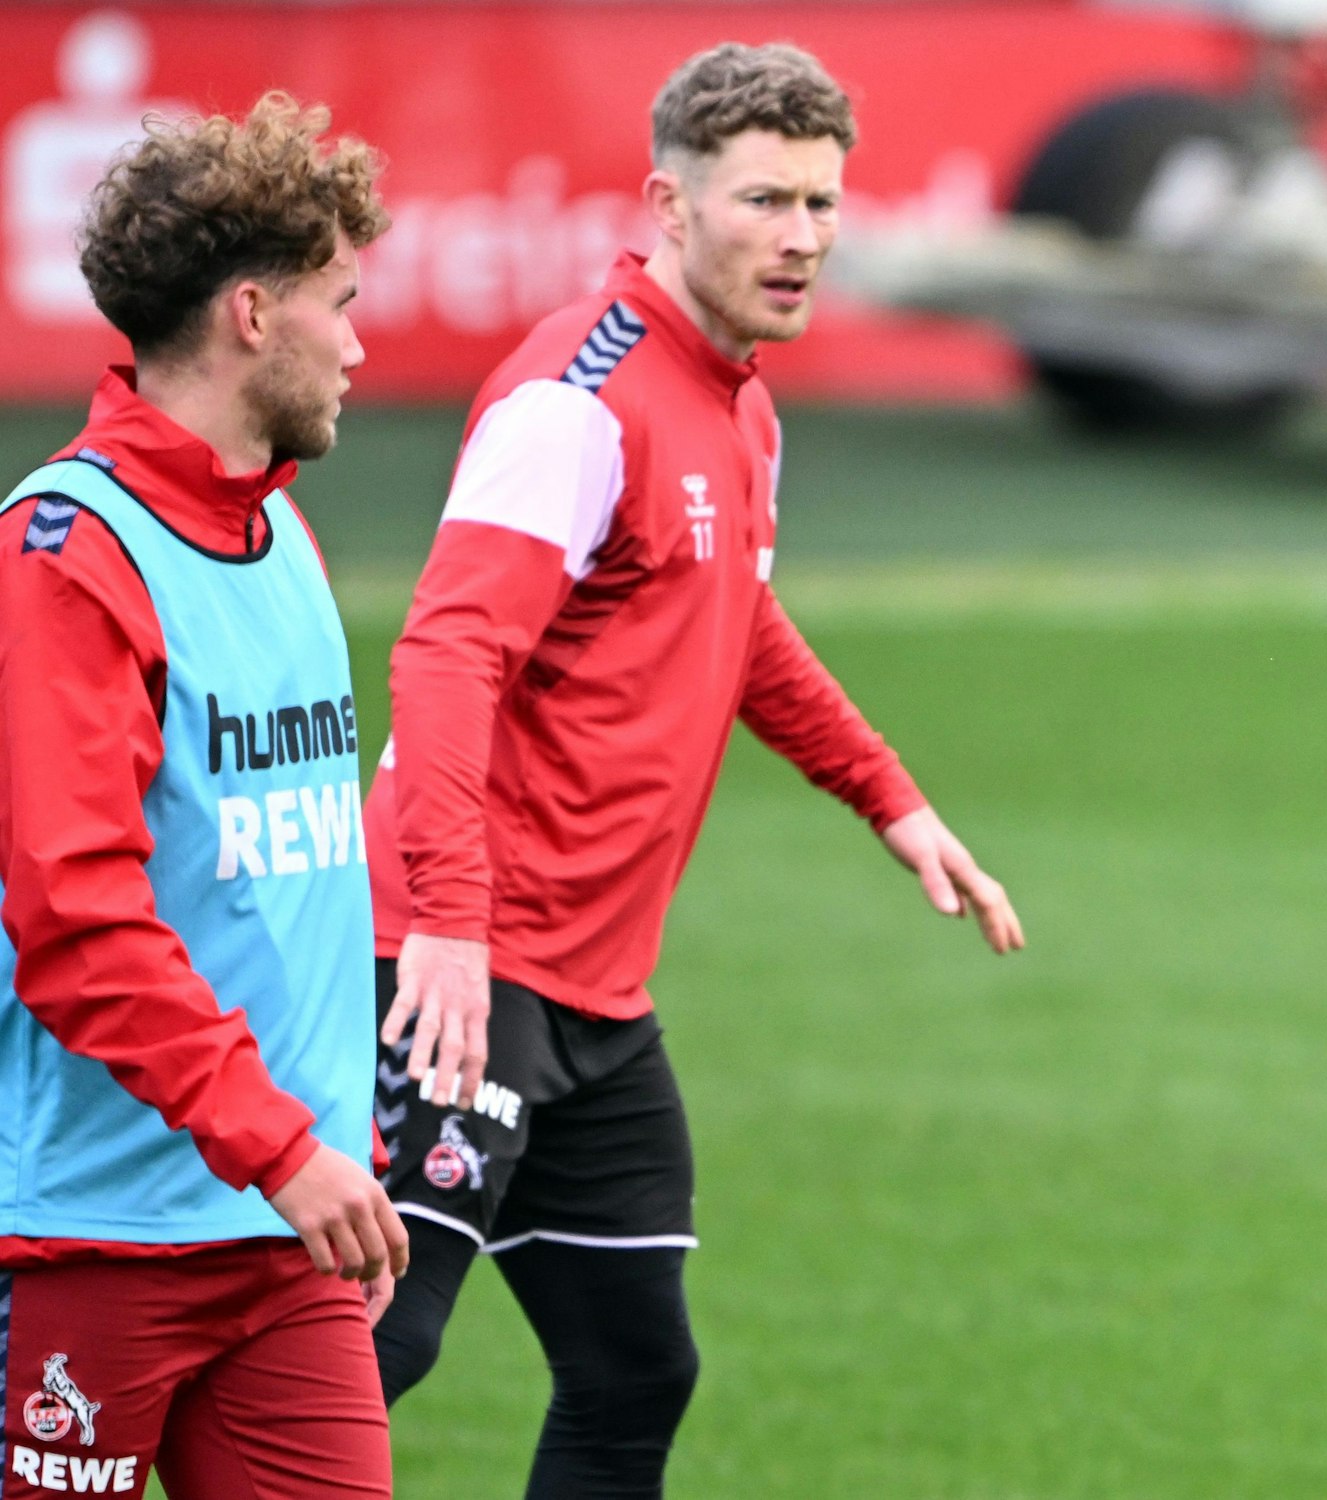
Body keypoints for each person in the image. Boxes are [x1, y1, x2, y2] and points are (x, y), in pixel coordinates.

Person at [363, 41, 1025, 1496]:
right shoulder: (576, 400)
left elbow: (739, 625)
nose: (800, 239)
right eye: (765, 201)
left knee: (634, 1369)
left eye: (822, 204)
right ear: (670, 201)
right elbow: (446, 656)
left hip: (594, 994)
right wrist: (455, 929)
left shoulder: (741, 403)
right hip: (460, 967)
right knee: (363, 1351)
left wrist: (889, 796)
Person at [0, 94, 408, 1499]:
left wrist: (328, 1154)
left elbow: (287, 877)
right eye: (339, 303)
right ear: (251, 315)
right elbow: (79, 927)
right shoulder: (67, 557)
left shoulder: (279, 525)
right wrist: (285, 1148)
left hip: (288, 1245)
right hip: (88, 1244)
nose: (359, 344)